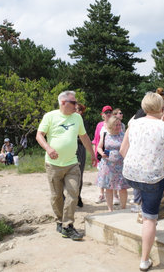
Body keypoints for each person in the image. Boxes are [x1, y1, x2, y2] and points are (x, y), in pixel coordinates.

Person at [120, 92, 164, 272]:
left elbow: (123, 150)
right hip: (152, 178)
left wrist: (135, 164)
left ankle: (142, 212)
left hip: (130, 174)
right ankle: (144, 260)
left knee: (145, 201)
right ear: (162, 108)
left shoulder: (133, 123)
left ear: (144, 107)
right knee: (151, 218)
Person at [36, 91, 97, 241]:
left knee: (73, 193)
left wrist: (93, 154)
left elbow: (84, 137)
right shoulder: (50, 116)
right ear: (63, 102)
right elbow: (39, 135)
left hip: (72, 163)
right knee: (57, 196)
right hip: (53, 165)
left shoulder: (77, 117)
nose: (77, 106)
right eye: (74, 103)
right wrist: (48, 149)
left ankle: (68, 225)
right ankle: (59, 220)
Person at [96, 116, 129, 211]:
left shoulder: (123, 135)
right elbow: (99, 147)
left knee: (122, 188)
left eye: (119, 124)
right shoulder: (105, 134)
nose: (119, 127)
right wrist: (102, 153)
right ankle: (110, 209)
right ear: (111, 125)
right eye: (116, 125)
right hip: (107, 166)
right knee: (108, 188)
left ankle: (123, 207)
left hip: (121, 165)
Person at [92, 105, 113, 204]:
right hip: (101, 152)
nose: (108, 114)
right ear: (102, 115)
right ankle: (101, 194)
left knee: (113, 173)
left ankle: (115, 195)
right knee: (101, 173)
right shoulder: (100, 125)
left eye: (110, 112)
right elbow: (95, 140)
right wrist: (94, 153)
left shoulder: (115, 123)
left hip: (112, 152)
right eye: (106, 112)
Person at [75, 103, 89, 207]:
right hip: (69, 149)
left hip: (80, 148)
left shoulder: (83, 122)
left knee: (79, 174)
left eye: (79, 110)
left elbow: (85, 137)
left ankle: (78, 196)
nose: (77, 111)